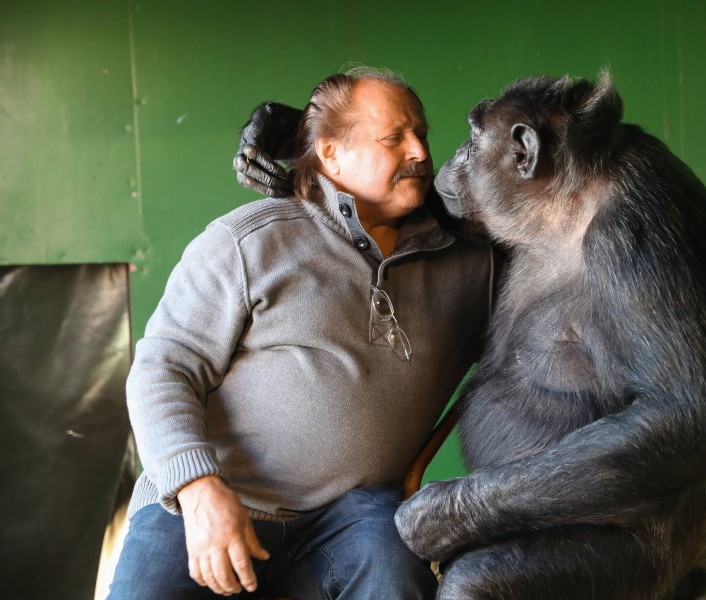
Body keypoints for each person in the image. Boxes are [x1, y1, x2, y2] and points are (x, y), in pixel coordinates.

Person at [107, 67, 493, 599]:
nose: (422, 153)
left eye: (420, 133)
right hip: (210, 505)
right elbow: (161, 369)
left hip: (353, 519)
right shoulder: (247, 242)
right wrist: (196, 490)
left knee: (395, 557)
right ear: (331, 154)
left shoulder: (473, 265)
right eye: (393, 138)